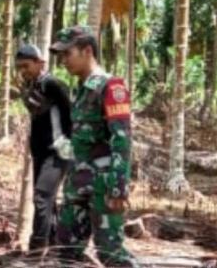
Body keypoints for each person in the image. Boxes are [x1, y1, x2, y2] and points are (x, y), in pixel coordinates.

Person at [49, 26, 138, 267]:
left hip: (102, 186)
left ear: (87, 51)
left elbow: (121, 140)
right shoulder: (80, 90)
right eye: (61, 55)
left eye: (68, 54)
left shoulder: (111, 87)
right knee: (65, 251)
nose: (64, 61)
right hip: (77, 183)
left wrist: (119, 187)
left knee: (110, 253)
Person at [14, 44, 72, 251]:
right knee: (47, 200)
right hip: (40, 151)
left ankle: (37, 249)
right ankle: (54, 246)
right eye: (19, 67)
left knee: (42, 197)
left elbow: (71, 113)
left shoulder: (53, 84)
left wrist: (70, 145)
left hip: (58, 150)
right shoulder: (32, 85)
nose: (23, 71)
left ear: (40, 63)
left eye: (26, 66)